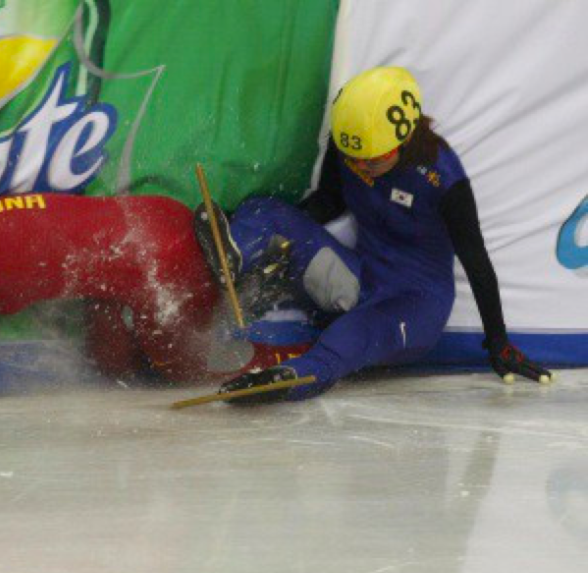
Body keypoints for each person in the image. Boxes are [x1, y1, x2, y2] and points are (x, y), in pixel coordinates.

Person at [216, 66, 551, 403]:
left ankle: (292, 379)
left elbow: (476, 261)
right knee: (268, 209)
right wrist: (278, 235)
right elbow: (329, 201)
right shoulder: (352, 139)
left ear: (404, 139)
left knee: (353, 333)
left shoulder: (444, 178)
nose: (362, 167)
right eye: (354, 159)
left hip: (415, 306)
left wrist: (498, 341)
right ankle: (232, 252)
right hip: (361, 279)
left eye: (373, 160)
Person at [0, 193, 304, 404]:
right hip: (149, 228)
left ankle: (297, 358)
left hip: (161, 260)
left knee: (184, 371)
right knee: (113, 368)